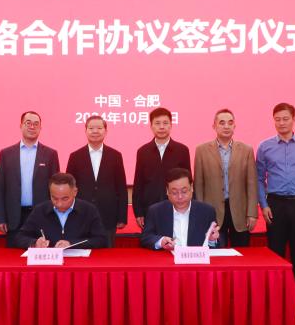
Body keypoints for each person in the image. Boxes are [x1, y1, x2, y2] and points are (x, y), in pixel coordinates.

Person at [256, 102, 295, 317]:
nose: (281, 123)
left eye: (285, 119)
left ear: (294, 119)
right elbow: (259, 179)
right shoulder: (264, 147)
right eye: (277, 119)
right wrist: (264, 205)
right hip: (275, 205)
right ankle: (275, 301)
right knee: (275, 255)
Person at [192, 109, 257, 248]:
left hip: (240, 212)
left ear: (235, 126)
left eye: (230, 123)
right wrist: (201, 213)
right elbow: (198, 185)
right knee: (216, 255)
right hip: (212, 212)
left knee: (241, 254)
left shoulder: (246, 150)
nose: (226, 126)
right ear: (214, 126)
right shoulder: (202, 150)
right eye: (222, 123)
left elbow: (251, 184)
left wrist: (252, 213)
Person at [0, 111, 60, 247]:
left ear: (40, 128)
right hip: (13, 216)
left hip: (42, 215)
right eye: (28, 123)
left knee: (41, 255)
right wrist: (0, 217)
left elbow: (55, 188)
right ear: (21, 126)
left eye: (36, 124)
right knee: (14, 256)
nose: (32, 127)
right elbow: (0, 187)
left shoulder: (50, 154)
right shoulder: (6, 154)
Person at [65, 115, 128, 245]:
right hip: (80, 214)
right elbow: (69, 188)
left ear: (105, 131)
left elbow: (121, 187)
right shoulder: (75, 156)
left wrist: (122, 217)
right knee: (81, 250)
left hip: (108, 215)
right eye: (91, 128)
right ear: (85, 130)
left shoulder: (115, 156)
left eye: (99, 128)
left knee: (107, 252)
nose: (95, 131)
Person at [132, 107, 191, 229]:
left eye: (165, 123)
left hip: (177, 207)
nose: (162, 127)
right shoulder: (143, 151)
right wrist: (138, 212)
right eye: (157, 123)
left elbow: (188, 182)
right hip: (149, 208)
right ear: (151, 126)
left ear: (171, 125)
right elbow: (138, 184)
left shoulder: (182, 150)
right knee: (152, 240)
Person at [14, 173, 109, 249]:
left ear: (75, 192)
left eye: (65, 199)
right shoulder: (40, 210)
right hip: (49, 263)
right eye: (54, 198)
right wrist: (35, 243)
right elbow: (20, 237)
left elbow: (101, 240)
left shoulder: (89, 210)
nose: (59, 204)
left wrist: (72, 244)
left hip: (79, 263)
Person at [140, 168, 220, 250]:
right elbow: (145, 237)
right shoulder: (155, 211)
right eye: (174, 192)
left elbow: (217, 242)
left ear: (192, 188)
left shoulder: (207, 212)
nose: (180, 197)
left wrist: (212, 240)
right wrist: (161, 241)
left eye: (184, 191)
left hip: (196, 257)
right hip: (168, 257)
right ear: (167, 191)